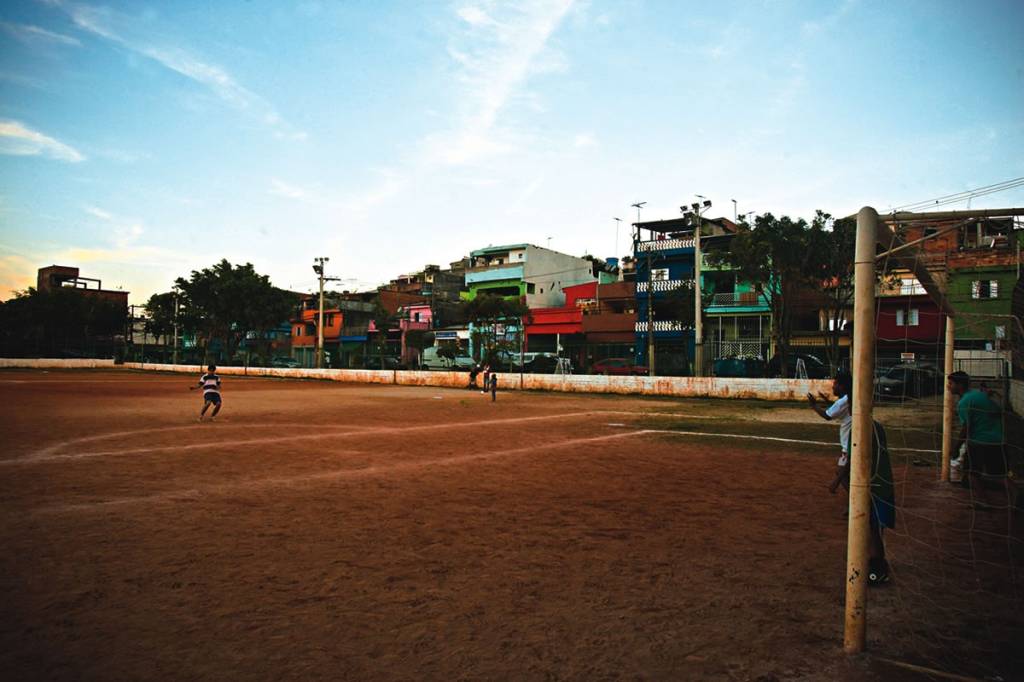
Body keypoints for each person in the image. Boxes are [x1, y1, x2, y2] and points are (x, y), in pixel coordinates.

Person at [948, 371, 1007, 510]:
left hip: (979, 441)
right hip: (997, 439)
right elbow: (998, 411)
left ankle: (983, 501)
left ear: (960, 385)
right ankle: (1016, 495)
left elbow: (966, 427)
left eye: (951, 383)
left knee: (972, 474)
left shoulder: (964, 402)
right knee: (1000, 475)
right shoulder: (979, 395)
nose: (948, 386)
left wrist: (956, 447)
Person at [807, 372, 853, 495]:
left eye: (835, 384)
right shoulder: (849, 398)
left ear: (842, 386)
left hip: (849, 444)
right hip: (850, 442)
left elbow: (828, 415)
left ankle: (856, 501)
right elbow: (836, 410)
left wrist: (813, 406)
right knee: (845, 473)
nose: (833, 386)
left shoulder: (842, 402)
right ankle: (854, 501)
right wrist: (826, 401)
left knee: (842, 474)